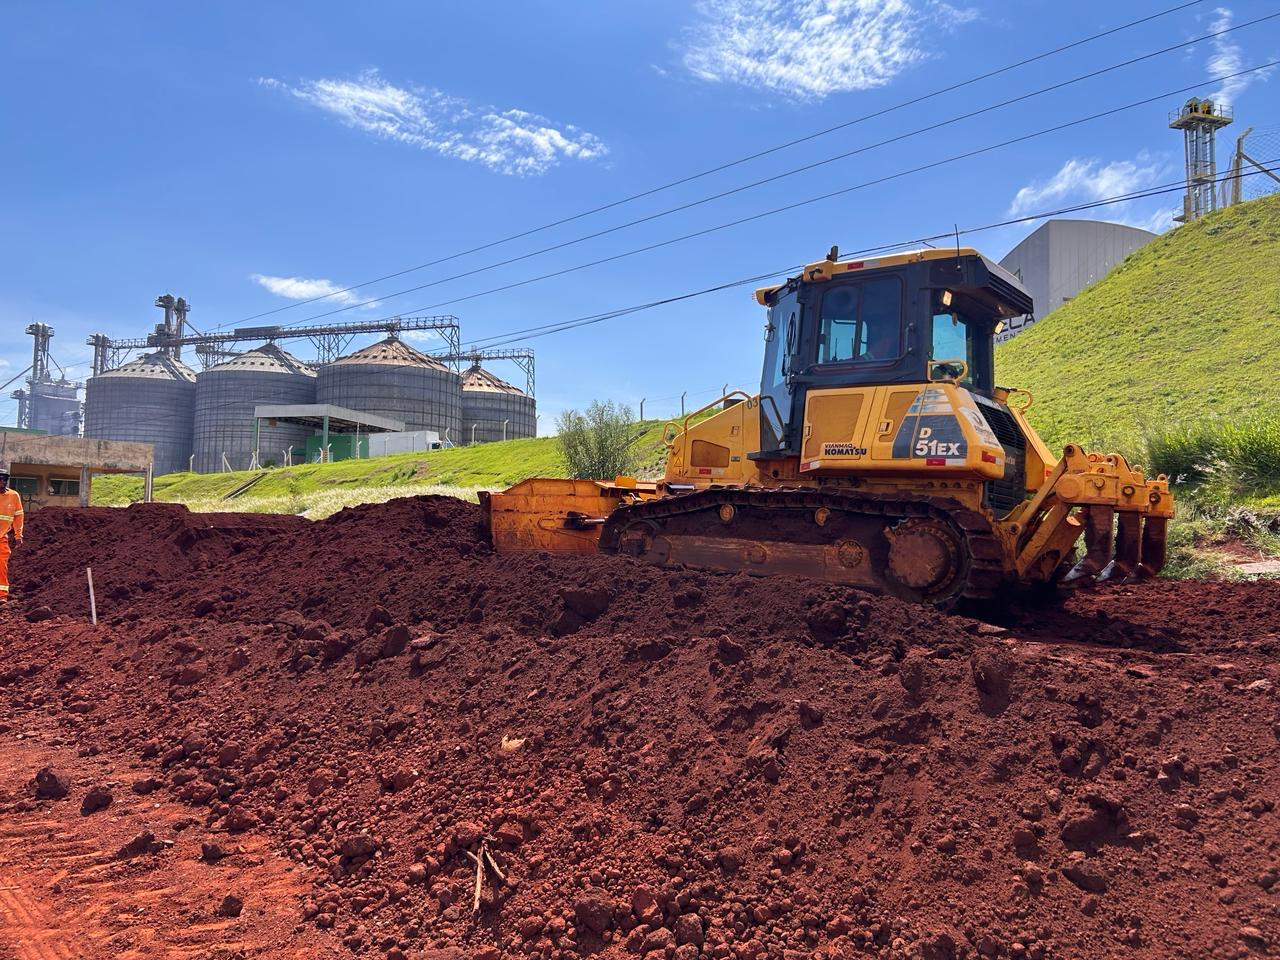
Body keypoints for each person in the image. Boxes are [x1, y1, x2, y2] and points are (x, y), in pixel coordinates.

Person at [0, 468, 25, 606]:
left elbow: (18, 516)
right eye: (0, 479)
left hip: (2, 538)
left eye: (4, 479)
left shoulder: (13, 496)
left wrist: (18, 535)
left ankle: (2, 595)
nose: (2, 482)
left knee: (1, 565)